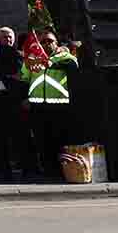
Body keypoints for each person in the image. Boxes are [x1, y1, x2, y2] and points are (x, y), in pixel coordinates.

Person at [22, 30, 78, 179]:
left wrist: (50, 61)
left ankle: (63, 172)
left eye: (50, 41)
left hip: (59, 106)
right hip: (38, 107)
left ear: (56, 43)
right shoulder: (33, 57)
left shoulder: (64, 56)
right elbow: (24, 77)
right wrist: (30, 62)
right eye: (44, 41)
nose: (47, 44)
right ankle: (49, 172)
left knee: (60, 140)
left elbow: (73, 62)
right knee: (42, 141)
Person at [0, 26, 26, 180]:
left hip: (14, 99)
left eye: (10, 37)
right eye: (4, 37)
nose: (8, 40)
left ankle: (23, 166)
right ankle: (1, 168)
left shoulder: (18, 55)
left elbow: (17, 73)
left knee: (18, 134)